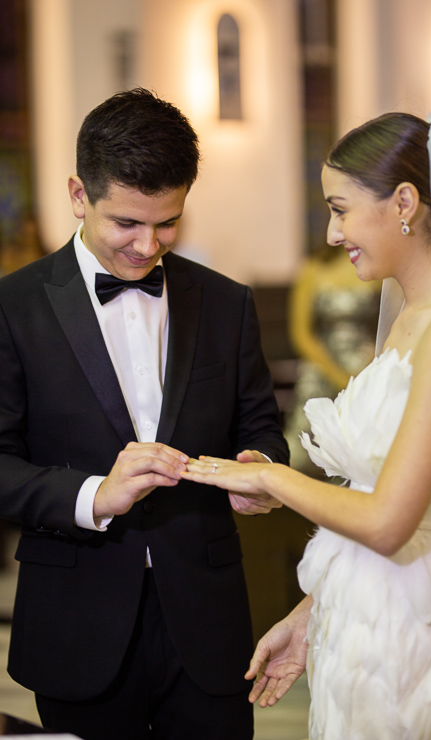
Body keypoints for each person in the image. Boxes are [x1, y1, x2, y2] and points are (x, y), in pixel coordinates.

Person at [183, 111, 431, 739]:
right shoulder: (412, 314)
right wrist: (311, 612)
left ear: (404, 202)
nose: (331, 233)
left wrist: (273, 481)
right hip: (363, 620)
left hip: (415, 633)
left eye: (342, 209)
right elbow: (379, 503)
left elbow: (389, 520)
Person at [0, 88, 289, 740]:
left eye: (167, 223)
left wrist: (262, 468)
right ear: (79, 195)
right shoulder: (12, 307)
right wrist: (95, 493)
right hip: (78, 621)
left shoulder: (224, 303)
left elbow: (260, 427)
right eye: (126, 223)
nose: (146, 246)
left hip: (208, 622)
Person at [284, 245, 380, 474]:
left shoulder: (377, 265)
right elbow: (301, 334)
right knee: (304, 448)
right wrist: (336, 374)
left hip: (366, 366)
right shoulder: (312, 268)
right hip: (320, 364)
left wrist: (367, 368)